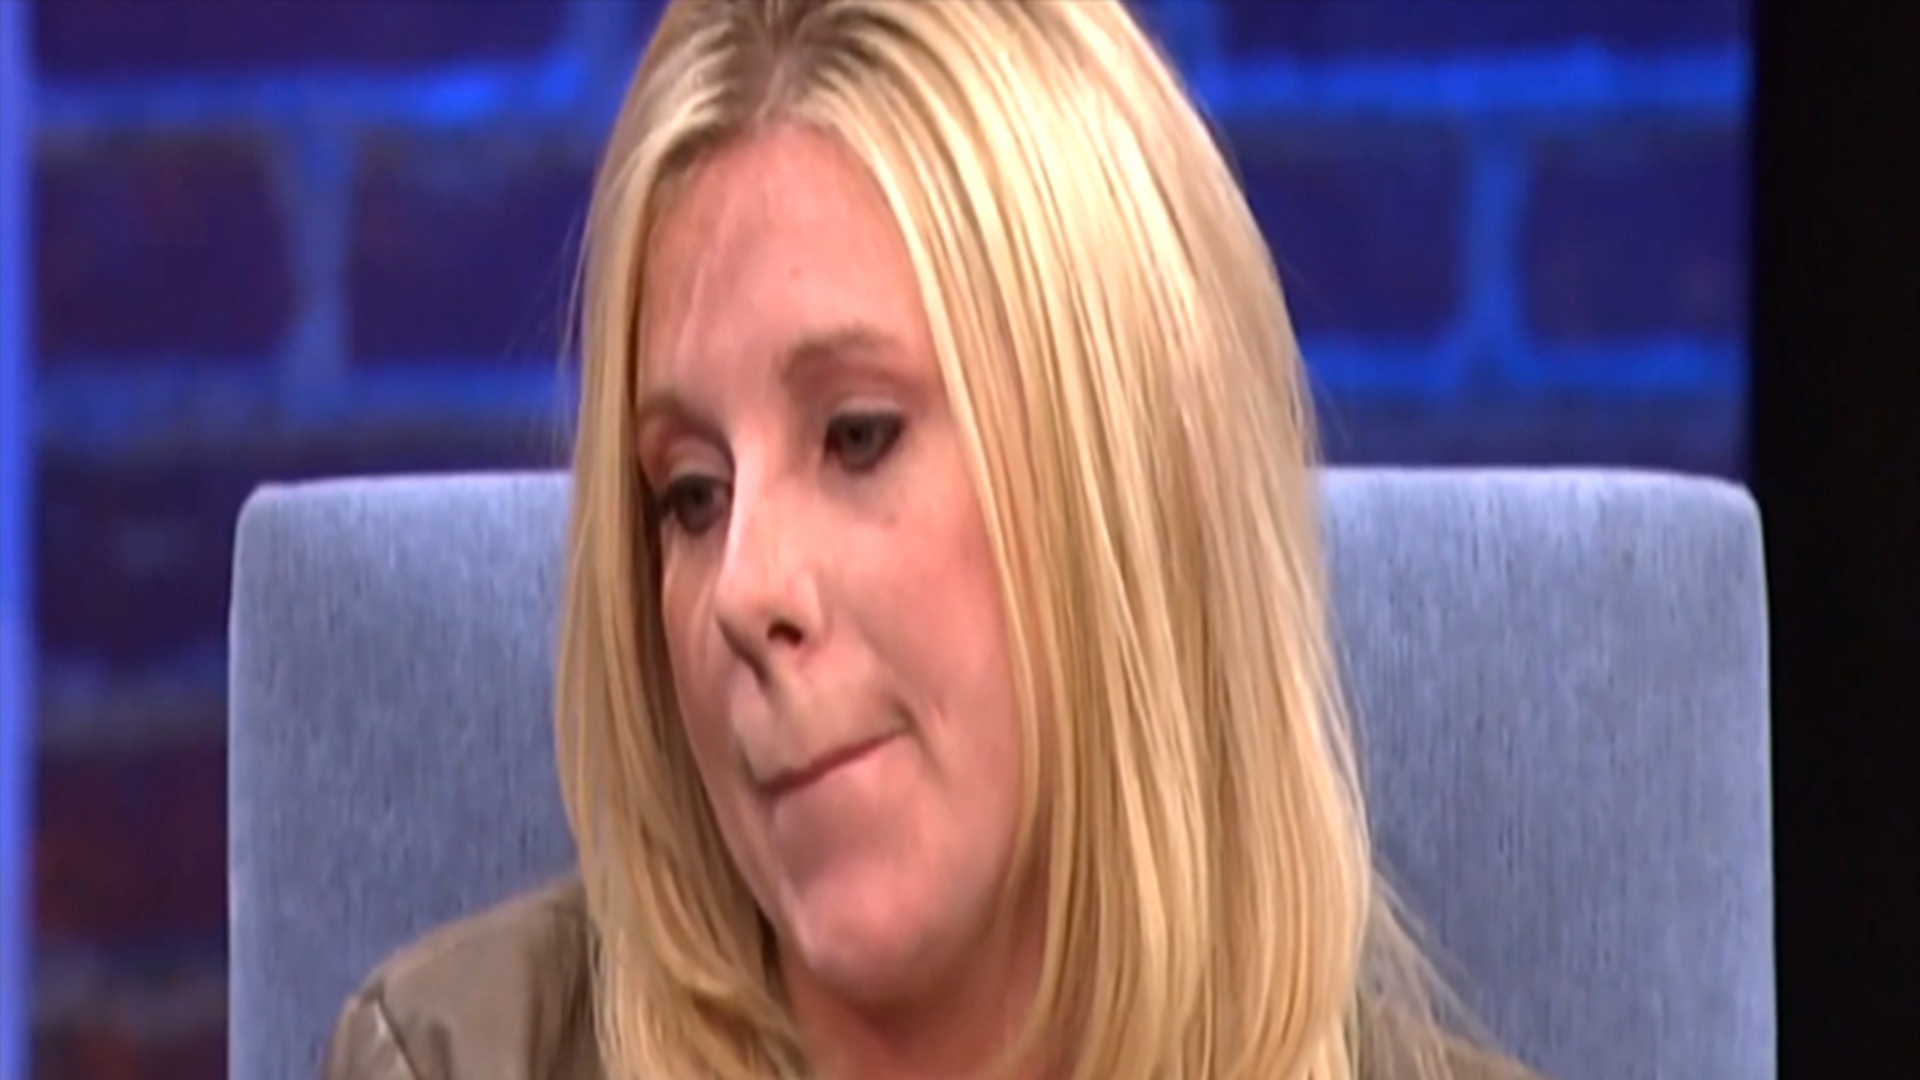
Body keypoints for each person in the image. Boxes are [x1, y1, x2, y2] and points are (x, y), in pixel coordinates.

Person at [322, 2, 1549, 1079]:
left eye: (856, 436)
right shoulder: (456, 1061)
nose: (743, 588)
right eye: (691, 496)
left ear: (1120, 480)